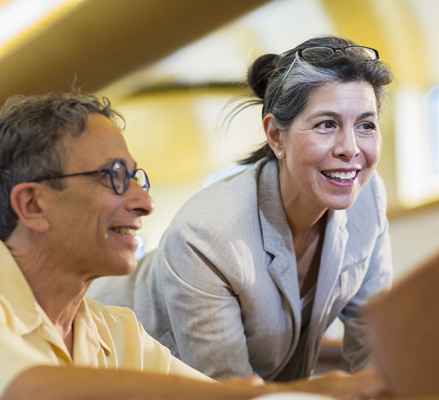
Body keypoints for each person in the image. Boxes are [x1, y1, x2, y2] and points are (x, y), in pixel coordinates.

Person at [0, 92, 383, 400]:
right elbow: (25, 387)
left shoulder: (116, 330)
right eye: (113, 177)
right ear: (33, 205)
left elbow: (212, 395)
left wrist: (333, 389)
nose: (144, 203)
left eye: (137, 179)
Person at [90, 35, 394, 381]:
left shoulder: (367, 199)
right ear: (276, 136)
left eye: (366, 125)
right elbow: (228, 389)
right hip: (107, 363)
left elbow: (373, 343)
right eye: (327, 124)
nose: (350, 148)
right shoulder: (207, 233)